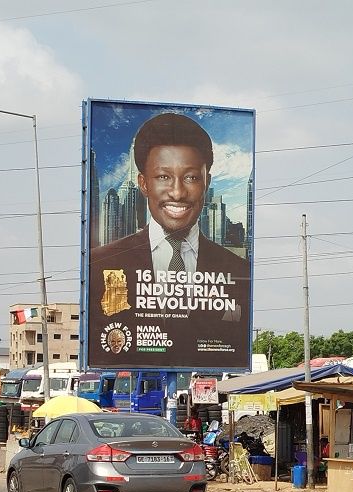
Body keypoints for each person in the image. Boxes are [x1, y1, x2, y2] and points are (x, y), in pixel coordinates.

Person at [88, 112, 251, 366]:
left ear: (206, 182)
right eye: (164, 177)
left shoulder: (238, 272)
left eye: (191, 177)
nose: (177, 192)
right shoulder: (101, 264)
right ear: (143, 184)